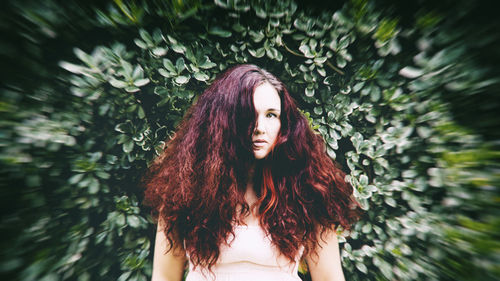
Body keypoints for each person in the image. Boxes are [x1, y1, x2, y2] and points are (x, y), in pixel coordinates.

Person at [143, 64, 360, 281]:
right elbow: (164, 277)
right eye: (249, 115)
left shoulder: (310, 192)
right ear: (223, 122)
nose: (260, 127)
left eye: (271, 115)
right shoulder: (184, 192)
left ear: (284, 123)